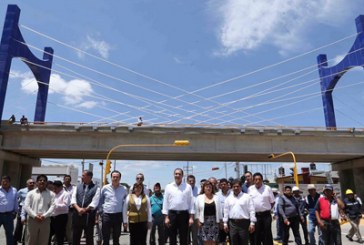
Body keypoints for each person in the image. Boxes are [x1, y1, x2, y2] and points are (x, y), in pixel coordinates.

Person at [162, 168, 195, 245]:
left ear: (182, 176)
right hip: (172, 215)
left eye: (179, 174)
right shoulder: (168, 186)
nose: (177, 175)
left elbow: (191, 203)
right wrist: (166, 217)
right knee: (172, 238)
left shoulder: (188, 187)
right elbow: (165, 203)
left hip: (184, 215)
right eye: (176, 174)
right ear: (174, 175)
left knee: (184, 238)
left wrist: (191, 217)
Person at [23, 174, 55, 245]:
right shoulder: (30, 193)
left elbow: (53, 206)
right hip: (32, 220)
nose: (42, 182)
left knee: (43, 241)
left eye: (44, 180)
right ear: (37, 182)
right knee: (30, 240)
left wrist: (44, 215)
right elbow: (26, 206)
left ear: (46, 182)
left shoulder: (51, 194)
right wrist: (35, 216)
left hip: (45, 221)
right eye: (40, 180)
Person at [71, 170, 100, 245]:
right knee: (75, 236)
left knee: (89, 237)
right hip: (77, 215)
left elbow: (95, 202)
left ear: (89, 177)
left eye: (83, 175)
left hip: (89, 216)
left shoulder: (96, 188)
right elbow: (73, 199)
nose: (82, 177)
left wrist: (85, 209)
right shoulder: (77, 187)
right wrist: (78, 209)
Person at [223, 179, 256, 245]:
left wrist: (252, 223)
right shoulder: (228, 199)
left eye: (237, 186)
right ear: (232, 188)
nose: (236, 188)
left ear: (241, 187)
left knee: (244, 242)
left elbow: (252, 210)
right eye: (234, 186)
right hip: (232, 224)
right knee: (233, 242)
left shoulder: (247, 197)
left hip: (244, 224)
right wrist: (225, 223)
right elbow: (226, 211)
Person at [99, 170, 127, 245]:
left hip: (118, 215)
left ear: (120, 178)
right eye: (113, 177)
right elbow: (100, 201)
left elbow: (125, 203)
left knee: (116, 237)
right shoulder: (105, 188)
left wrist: (125, 219)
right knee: (106, 237)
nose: (115, 178)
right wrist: (101, 212)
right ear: (111, 177)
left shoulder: (124, 189)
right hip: (106, 215)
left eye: (117, 177)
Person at [248, 172, 275, 245]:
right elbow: (249, 203)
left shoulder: (267, 188)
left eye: (259, 179)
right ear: (253, 180)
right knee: (256, 235)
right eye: (256, 179)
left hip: (266, 215)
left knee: (267, 235)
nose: (257, 181)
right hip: (255, 216)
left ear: (262, 180)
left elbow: (272, 202)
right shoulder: (250, 189)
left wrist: (266, 209)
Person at [195, 180, 222, 245]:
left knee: (214, 241)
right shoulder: (199, 197)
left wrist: (221, 221)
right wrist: (198, 221)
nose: (208, 188)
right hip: (204, 222)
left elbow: (219, 210)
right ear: (203, 188)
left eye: (210, 187)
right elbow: (197, 210)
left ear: (212, 188)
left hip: (214, 221)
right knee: (205, 241)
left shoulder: (216, 197)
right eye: (206, 187)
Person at [13, 178, 34, 244]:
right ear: (27, 184)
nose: (32, 184)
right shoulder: (21, 191)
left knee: (28, 227)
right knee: (19, 226)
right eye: (30, 183)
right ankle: (16, 240)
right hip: (21, 209)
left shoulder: (36, 191)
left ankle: (24, 241)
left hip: (30, 211)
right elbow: (16, 199)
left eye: (33, 183)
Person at [49, 180, 70, 245]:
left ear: (60, 187)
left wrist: (54, 205)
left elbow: (65, 206)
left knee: (60, 236)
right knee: (48, 235)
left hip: (61, 217)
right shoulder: (53, 193)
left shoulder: (66, 194)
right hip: (52, 217)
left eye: (55, 188)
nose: (54, 190)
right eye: (53, 188)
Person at [0, 176, 18, 245]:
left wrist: (15, 212)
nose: (4, 183)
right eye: (3, 181)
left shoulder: (14, 190)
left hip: (9, 215)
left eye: (6, 181)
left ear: (9, 182)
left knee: (10, 234)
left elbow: (15, 202)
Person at [216, 178, 231, 245]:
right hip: (221, 220)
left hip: (231, 220)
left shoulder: (233, 193)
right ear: (219, 186)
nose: (223, 186)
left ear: (228, 185)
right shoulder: (216, 195)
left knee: (232, 238)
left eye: (224, 184)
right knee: (222, 240)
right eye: (221, 184)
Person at [187, 175, 199, 245]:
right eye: (190, 181)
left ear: (195, 181)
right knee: (185, 235)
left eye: (193, 181)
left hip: (195, 215)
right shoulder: (184, 190)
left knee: (195, 235)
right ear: (187, 182)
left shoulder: (199, 190)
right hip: (186, 215)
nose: (191, 182)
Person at [63, 174, 74, 244]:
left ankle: (70, 240)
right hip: (61, 210)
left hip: (70, 210)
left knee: (69, 226)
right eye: (66, 179)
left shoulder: (74, 188)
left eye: (69, 179)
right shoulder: (60, 188)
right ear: (63, 180)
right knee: (61, 225)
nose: (67, 180)